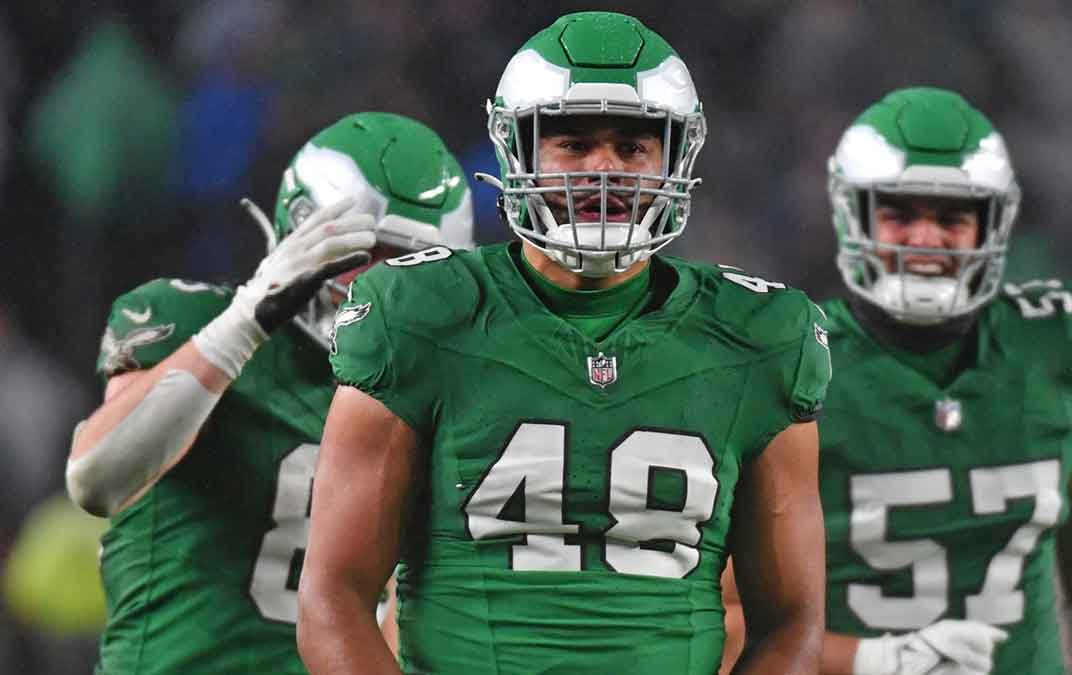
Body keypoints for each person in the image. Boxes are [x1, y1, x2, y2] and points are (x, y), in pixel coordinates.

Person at [297, 11, 831, 675]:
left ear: (677, 159)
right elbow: (332, 598)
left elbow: (792, 622)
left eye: (633, 148)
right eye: (572, 144)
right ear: (517, 151)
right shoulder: (417, 313)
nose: (603, 170)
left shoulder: (759, 335)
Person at [727, 87, 1072, 675]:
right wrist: (873, 660)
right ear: (854, 215)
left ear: (993, 223)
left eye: (952, 217)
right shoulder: (789, 364)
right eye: (900, 214)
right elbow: (719, 624)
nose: (926, 240)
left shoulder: (1060, 347)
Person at [64, 111, 474, 674]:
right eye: (366, 252)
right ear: (303, 229)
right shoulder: (194, 318)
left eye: (414, 264)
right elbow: (96, 479)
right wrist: (244, 323)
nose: (387, 285)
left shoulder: (434, 400)